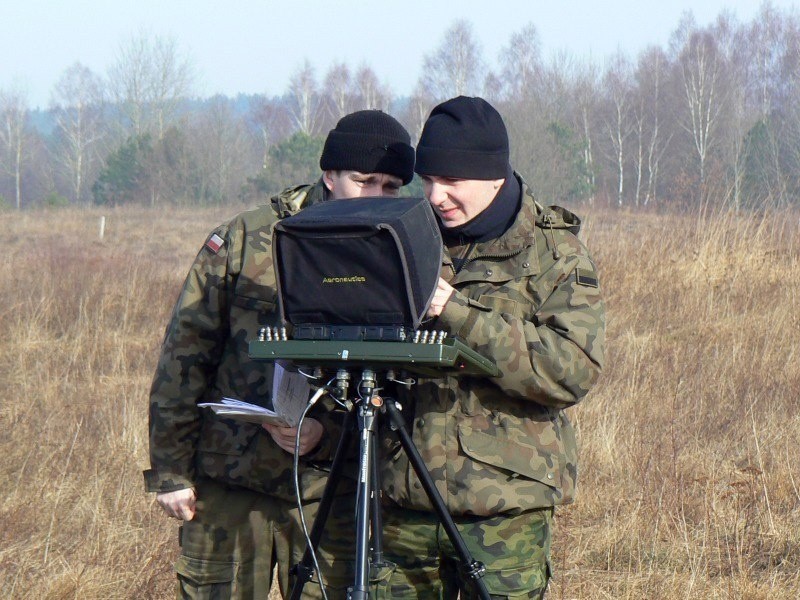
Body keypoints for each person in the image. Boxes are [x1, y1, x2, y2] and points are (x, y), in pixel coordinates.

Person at [144, 110, 415, 599]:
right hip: (229, 482)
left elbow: (406, 381)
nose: (377, 196)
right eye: (364, 180)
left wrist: (325, 433)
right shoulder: (248, 239)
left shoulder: (404, 251)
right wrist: (170, 470)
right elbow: (185, 356)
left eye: (391, 186)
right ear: (329, 175)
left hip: (330, 488)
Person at [379, 96, 606, 598]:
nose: (436, 196)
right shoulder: (406, 239)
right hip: (403, 497)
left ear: (495, 176)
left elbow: (572, 369)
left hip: (506, 507)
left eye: (451, 182)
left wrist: (456, 313)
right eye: (428, 180)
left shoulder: (554, 252)